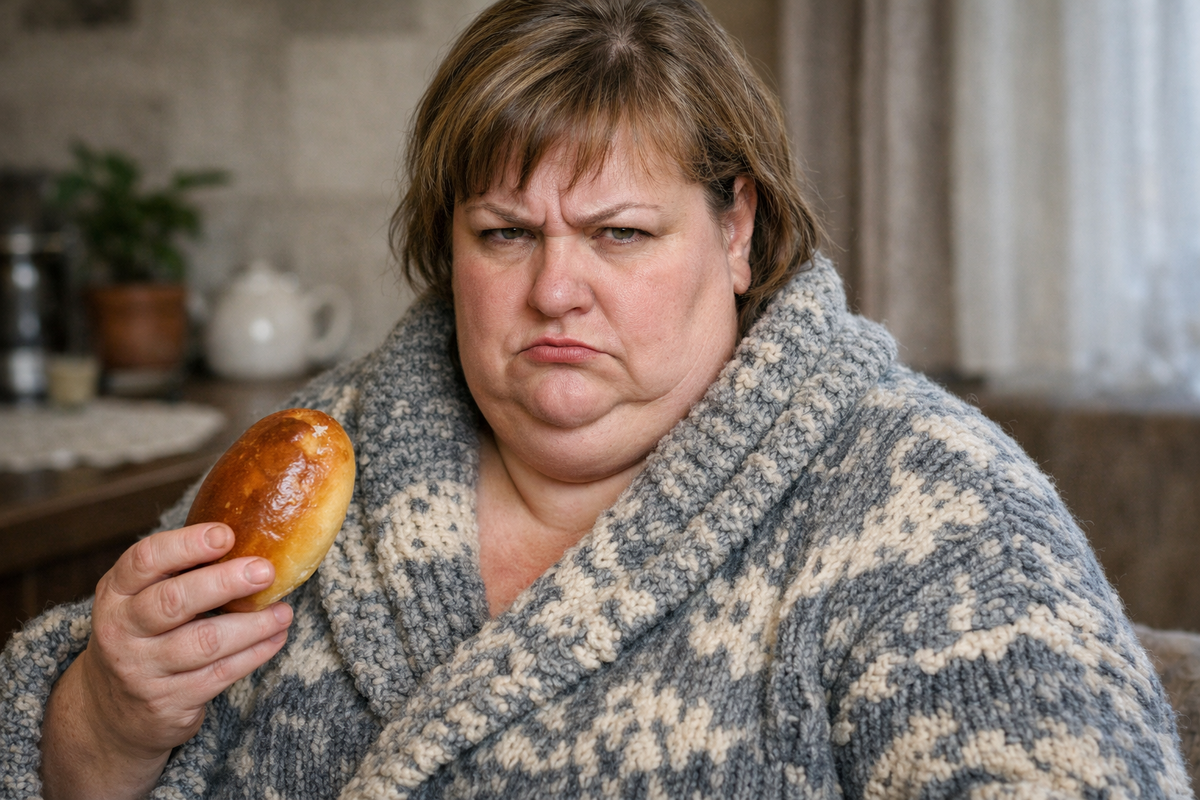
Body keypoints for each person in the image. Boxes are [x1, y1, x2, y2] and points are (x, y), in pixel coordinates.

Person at [3, 0, 1192, 798]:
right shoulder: (317, 462)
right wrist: (107, 716)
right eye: (504, 232)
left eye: (620, 232)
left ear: (737, 229)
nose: (554, 289)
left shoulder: (932, 508)